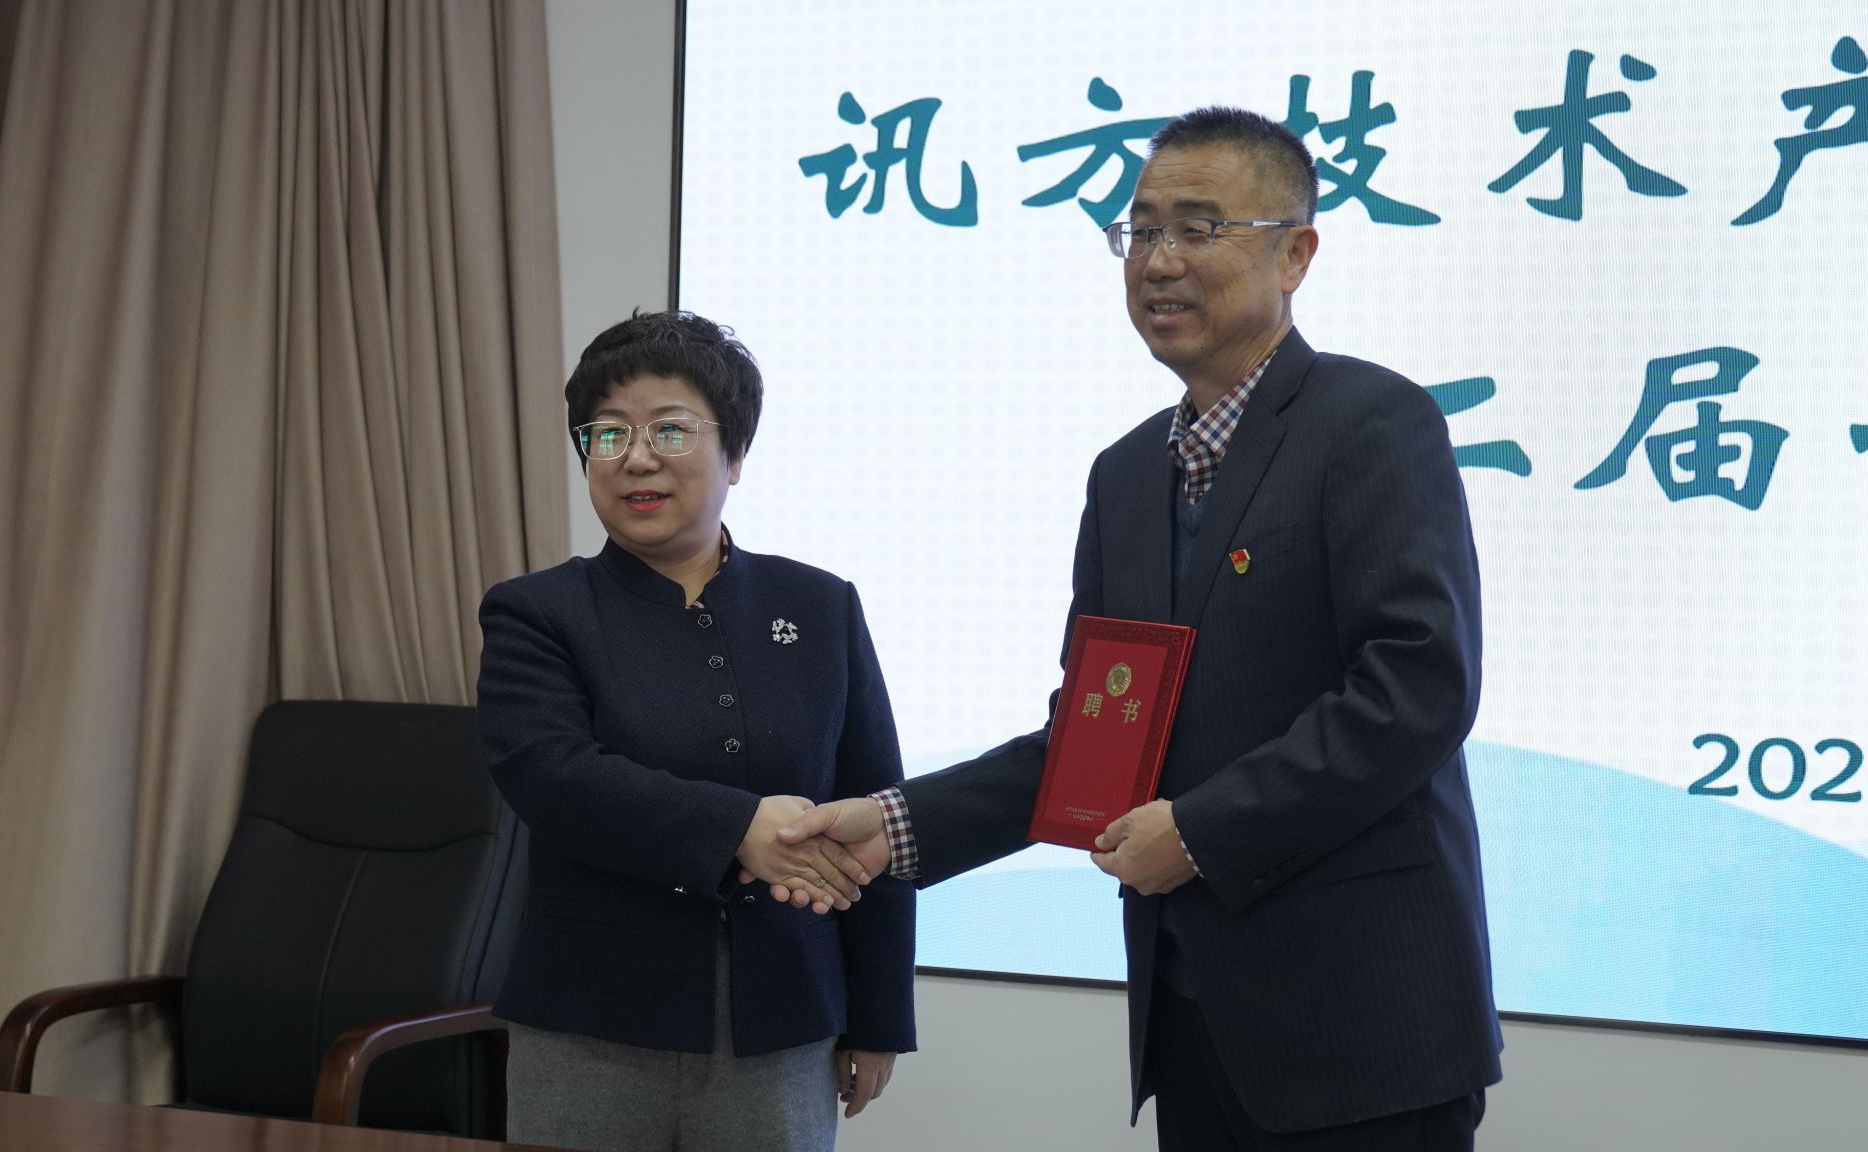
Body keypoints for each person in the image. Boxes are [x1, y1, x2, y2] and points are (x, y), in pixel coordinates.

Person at [770, 108, 1501, 1151]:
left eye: (1198, 228)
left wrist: (1200, 831)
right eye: (1141, 229)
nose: (1158, 260)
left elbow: (1416, 690)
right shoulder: (1123, 476)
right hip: (1192, 1020)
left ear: (1296, 253)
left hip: (1362, 1026)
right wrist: (892, 826)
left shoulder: (1371, 422)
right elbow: (1095, 740)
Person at [476, 310, 914, 1152]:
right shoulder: (537, 611)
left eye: (670, 430)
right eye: (608, 433)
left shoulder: (819, 606)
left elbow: (877, 808)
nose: (636, 458)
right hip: (588, 1023)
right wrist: (740, 827)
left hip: (782, 1020)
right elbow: (552, 775)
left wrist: (880, 1016)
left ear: (735, 454)